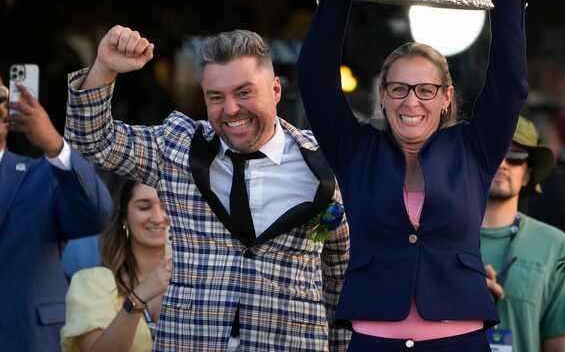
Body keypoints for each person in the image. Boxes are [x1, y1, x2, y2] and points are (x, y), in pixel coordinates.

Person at [296, 0, 527, 352]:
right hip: (374, 340)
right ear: (382, 95)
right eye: (398, 88)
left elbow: (510, 83)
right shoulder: (356, 149)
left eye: (425, 90)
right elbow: (315, 79)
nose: (411, 102)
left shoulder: (473, 149)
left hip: (457, 340)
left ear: (445, 98)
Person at [63, 29, 350, 352]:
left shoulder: (326, 162)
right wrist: (104, 66)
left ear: (275, 90)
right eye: (216, 97)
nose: (230, 109)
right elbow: (91, 142)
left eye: (244, 92)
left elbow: (341, 277)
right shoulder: (177, 147)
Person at [0, 76, 112, 352]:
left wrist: (55, 146)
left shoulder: (43, 175)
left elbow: (97, 215)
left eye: (2, 98)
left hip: (27, 338)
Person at [481, 116, 565, 352]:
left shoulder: (554, 245)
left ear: (528, 174)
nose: (503, 163)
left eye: (515, 156)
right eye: (494, 152)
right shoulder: (440, 238)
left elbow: (561, 344)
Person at [62, 180, 171, 352]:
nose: (158, 217)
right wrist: (139, 297)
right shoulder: (92, 282)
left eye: (167, 205)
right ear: (124, 217)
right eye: (144, 207)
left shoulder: (202, 277)